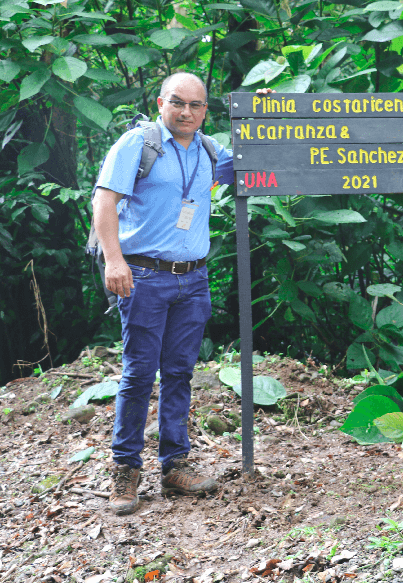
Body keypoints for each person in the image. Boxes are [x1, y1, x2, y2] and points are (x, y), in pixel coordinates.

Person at [93, 73, 262, 515]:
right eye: (178, 103)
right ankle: (125, 471)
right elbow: (104, 201)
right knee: (138, 374)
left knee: (180, 373)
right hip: (144, 276)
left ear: (206, 110)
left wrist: (264, 113)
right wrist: (114, 260)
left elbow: (256, 159)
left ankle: (174, 466)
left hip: (194, 279)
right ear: (160, 102)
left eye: (196, 105)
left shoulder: (209, 150)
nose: (186, 112)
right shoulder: (138, 144)